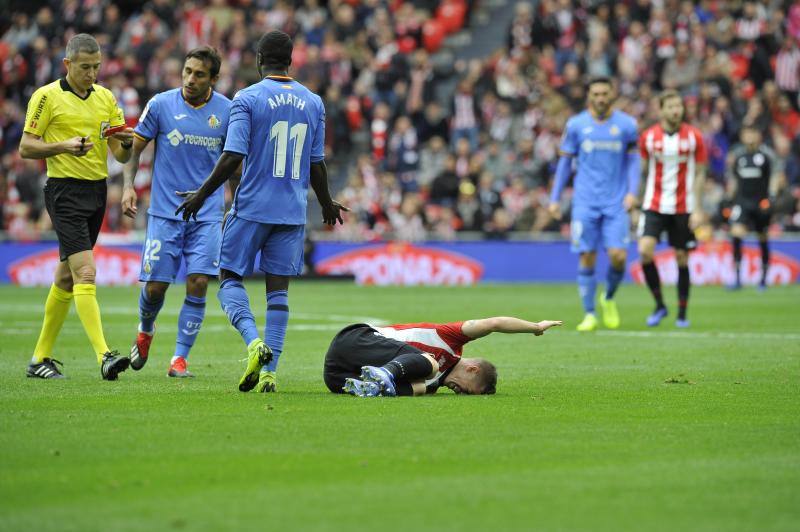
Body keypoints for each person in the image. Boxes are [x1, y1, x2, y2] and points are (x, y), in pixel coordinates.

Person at [176, 30, 348, 393]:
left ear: (258, 59)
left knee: (229, 279)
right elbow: (317, 163)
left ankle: (255, 344)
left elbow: (232, 156)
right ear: (291, 60)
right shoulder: (313, 102)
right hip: (292, 211)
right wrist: (327, 203)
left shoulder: (248, 98)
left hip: (252, 207)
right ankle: (271, 373)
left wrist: (201, 196)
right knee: (278, 294)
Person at [19, 33, 135, 380]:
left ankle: (40, 358)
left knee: (67, 276)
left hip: (97, 191)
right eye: (85, 67)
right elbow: (26, 146)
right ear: (67, 65)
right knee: (86, 272)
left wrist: (126, 144)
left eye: (97, 67)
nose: (92, 73)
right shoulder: (46, 97)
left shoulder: (106, 98)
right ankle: (105, 355)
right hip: (64, 192)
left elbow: (120, 153)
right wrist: (64, 146)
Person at [121, 46, 232, 378]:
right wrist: (128, 186)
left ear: (214, 78)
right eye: (187, 71)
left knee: (198, 282)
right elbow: (135, 148)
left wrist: (236, 205)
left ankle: (179, 359)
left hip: (208, 214)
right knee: (156, 287)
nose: (190, 79)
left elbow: (235, 165)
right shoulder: (160, 104)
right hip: (165, 213)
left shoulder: (228, 111)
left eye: (199, 74)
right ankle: (145, 329)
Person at [548, 77, 640, 332]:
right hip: (585, 202)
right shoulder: (576, 125)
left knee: (619, 257)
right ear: (589, 96)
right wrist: (554, 197)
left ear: (612, 94)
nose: (600, 98)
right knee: (587, 256)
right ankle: (589, 314)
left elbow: (634, 161)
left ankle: (608, 297)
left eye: (604, 93)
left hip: (616, 202)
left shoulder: (627, 125)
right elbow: (565, 163)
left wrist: (633, 192)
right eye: (596, 93)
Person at [323, 317, 563, 397]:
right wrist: (534, 326)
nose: (459, 392)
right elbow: (494, 323)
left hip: (336, 375)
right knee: (430, 366)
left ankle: (370, 386)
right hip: (356, 339)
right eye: (467, 390)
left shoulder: (432, 385)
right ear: (473, 370)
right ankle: (384, 374)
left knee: (419, 387)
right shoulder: (451, 341)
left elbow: (423, 385)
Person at [637, 90, 707, 327]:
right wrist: (636, 203)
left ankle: (682, 313)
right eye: (671, 106)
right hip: (654, 204)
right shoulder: (648, 137)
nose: (676, 110)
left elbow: (700, 173)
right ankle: (659, 305)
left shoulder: (694, 136)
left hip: (683, 206)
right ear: (661, 110)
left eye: (679, 106)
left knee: (681, 258)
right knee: (645, 251)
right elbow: (643, 171)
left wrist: (697, 208)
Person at [727, 125, 778, 290]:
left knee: (762, 238)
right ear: (742, 136)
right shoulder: (739, 158)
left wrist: (770, 199)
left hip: (760, 203)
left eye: (752, 133)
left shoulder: (765, 157)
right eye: (746, 133)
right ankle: (737, 278)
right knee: (736, 233)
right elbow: (734, 181)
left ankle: (763, 279)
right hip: (742, 202)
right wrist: (730, 200)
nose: (749, 136)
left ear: (758, 136)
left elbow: (774, 178)